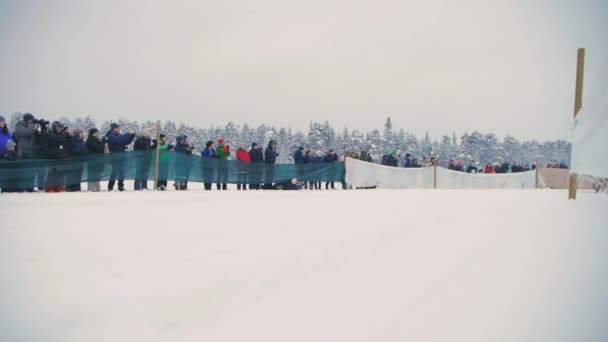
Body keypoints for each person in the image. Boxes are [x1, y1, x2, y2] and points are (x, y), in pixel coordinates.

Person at [13, 113, 48, 190]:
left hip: (33, 152)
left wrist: (43, 127)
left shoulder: (33, 126)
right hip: (24, 153)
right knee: (25, 172)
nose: (32, 121)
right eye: (31, 119)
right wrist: (33, 125)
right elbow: (27, 133)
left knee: (32, 172)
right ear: (26, 119)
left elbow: (41, 138)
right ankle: (22, 188)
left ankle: (30, 188)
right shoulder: (19, 125)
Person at [106, 123, 135, 191]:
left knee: (121, 172)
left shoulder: (119, 135)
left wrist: (131, 136)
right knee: (114, 172)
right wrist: (128, 134)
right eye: (118, 128)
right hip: (115, 157)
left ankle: (120, 185)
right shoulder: (110, 135)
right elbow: (120, 140)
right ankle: (110, 186)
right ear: (114, 129)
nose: (119, 129)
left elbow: (126, 141)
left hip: (121, 157)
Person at [45, 121, 73, 192]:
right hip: (52, 158)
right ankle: (49, 188)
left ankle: (59, 188)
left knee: (60, 174)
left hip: (61, 158)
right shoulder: (50, 134)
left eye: (61, 128)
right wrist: (66, 133)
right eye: (58, 128)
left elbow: (69, 144)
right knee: (51, 174)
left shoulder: (63, 135)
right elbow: (57, 139)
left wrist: (70, 136)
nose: (59, 129)